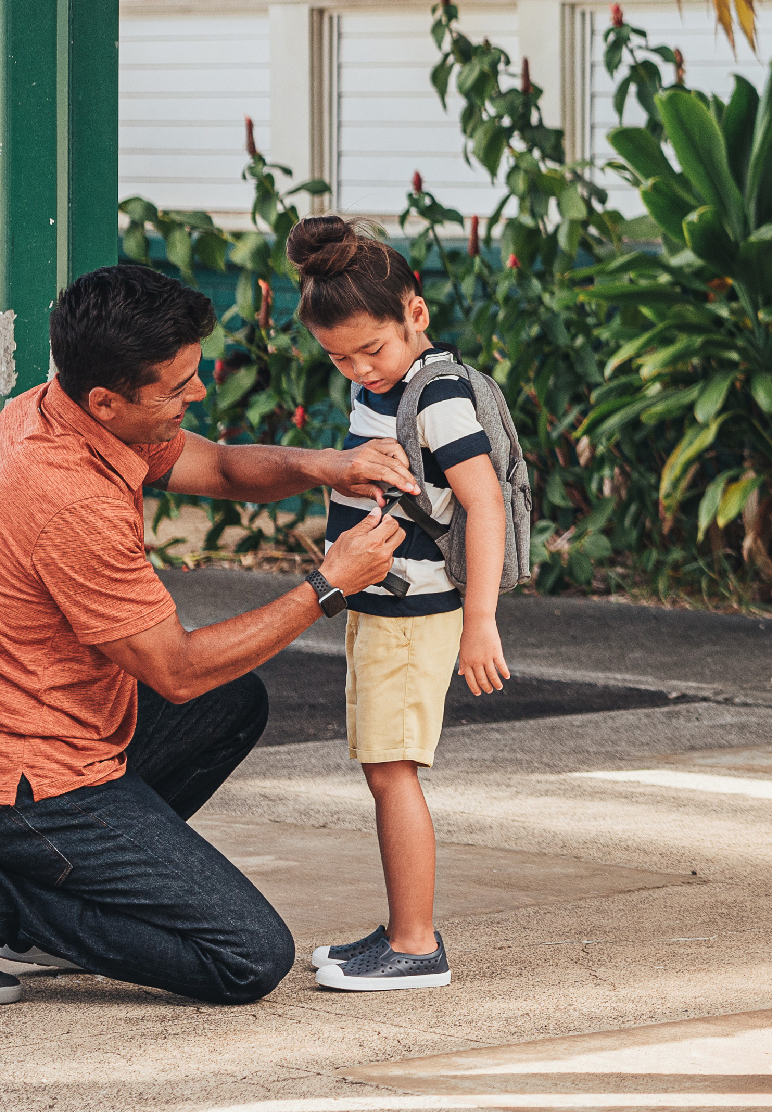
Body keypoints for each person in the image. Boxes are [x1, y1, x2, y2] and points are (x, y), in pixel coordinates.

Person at [0, 263, 413, 1008]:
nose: (197, 395)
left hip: (49, 731)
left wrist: (328, 466)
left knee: (232, 701)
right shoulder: (65, 497)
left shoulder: (54, 407)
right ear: (106, 400)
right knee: (247, 956)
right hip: (8, 783)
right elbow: (173, 667)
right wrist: (329, 584)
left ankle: (45, 900)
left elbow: (230, 471)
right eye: (176, 389)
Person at [288, 217, 511, 991]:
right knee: (384, 768)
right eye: (338, 357)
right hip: (380, 606)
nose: (359, 369)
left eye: (371, 350)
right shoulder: (381, 383)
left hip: (417, 614)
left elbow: (485, 505)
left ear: (415, 313)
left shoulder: (438, 396)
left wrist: (480, 620)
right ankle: (398, 929)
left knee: (394, 772)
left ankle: (415, 946)